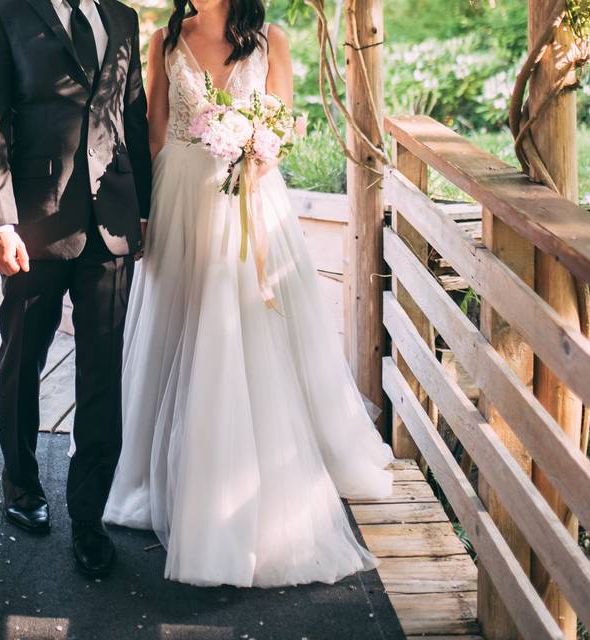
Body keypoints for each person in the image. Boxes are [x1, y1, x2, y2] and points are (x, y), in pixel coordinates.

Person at [103, 0, 394, 587]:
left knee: (247, 329)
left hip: (250, 201)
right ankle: (166, 475)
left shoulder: (271, 41)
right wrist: (153, 215)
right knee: (177, 326)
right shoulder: (164, 39)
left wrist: (256, 155)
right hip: (182, 198)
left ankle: (251, 475)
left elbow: (280, 129)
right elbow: (157, 134)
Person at [0, 0, 151, 578]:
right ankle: (21, 487)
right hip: (34, 222)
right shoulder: (2, 14)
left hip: (111, 223)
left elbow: (134, 113)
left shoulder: (122, 18)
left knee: (102, 374)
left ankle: (89, 519)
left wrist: (141, 208)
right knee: (23, 357)